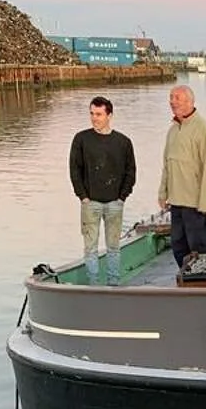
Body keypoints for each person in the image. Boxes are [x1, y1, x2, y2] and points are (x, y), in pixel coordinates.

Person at [69, 96, 136, 285]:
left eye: (98, 114)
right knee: (90, 248)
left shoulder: (123, 142)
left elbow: (130, 172)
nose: (94, 118)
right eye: (91, 113)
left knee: (113, 247)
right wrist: (82, 196)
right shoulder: (82, 139)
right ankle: (93, 285)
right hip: (90, 202)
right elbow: (75, 169)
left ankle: (113, 284)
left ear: (109, 115)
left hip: (115, 202)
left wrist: (122, 197)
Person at [158, 85, 206, 269]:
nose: (172, 101)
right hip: (176, 202)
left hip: (195, 205)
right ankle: (187, 278)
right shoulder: (173, 130)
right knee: (178, 246)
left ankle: (205, 285)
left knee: (199, 248)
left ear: (190, 102)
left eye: (177, 98)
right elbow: (167, 164)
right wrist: (163, 193)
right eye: (171, 97)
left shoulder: (204, 130)